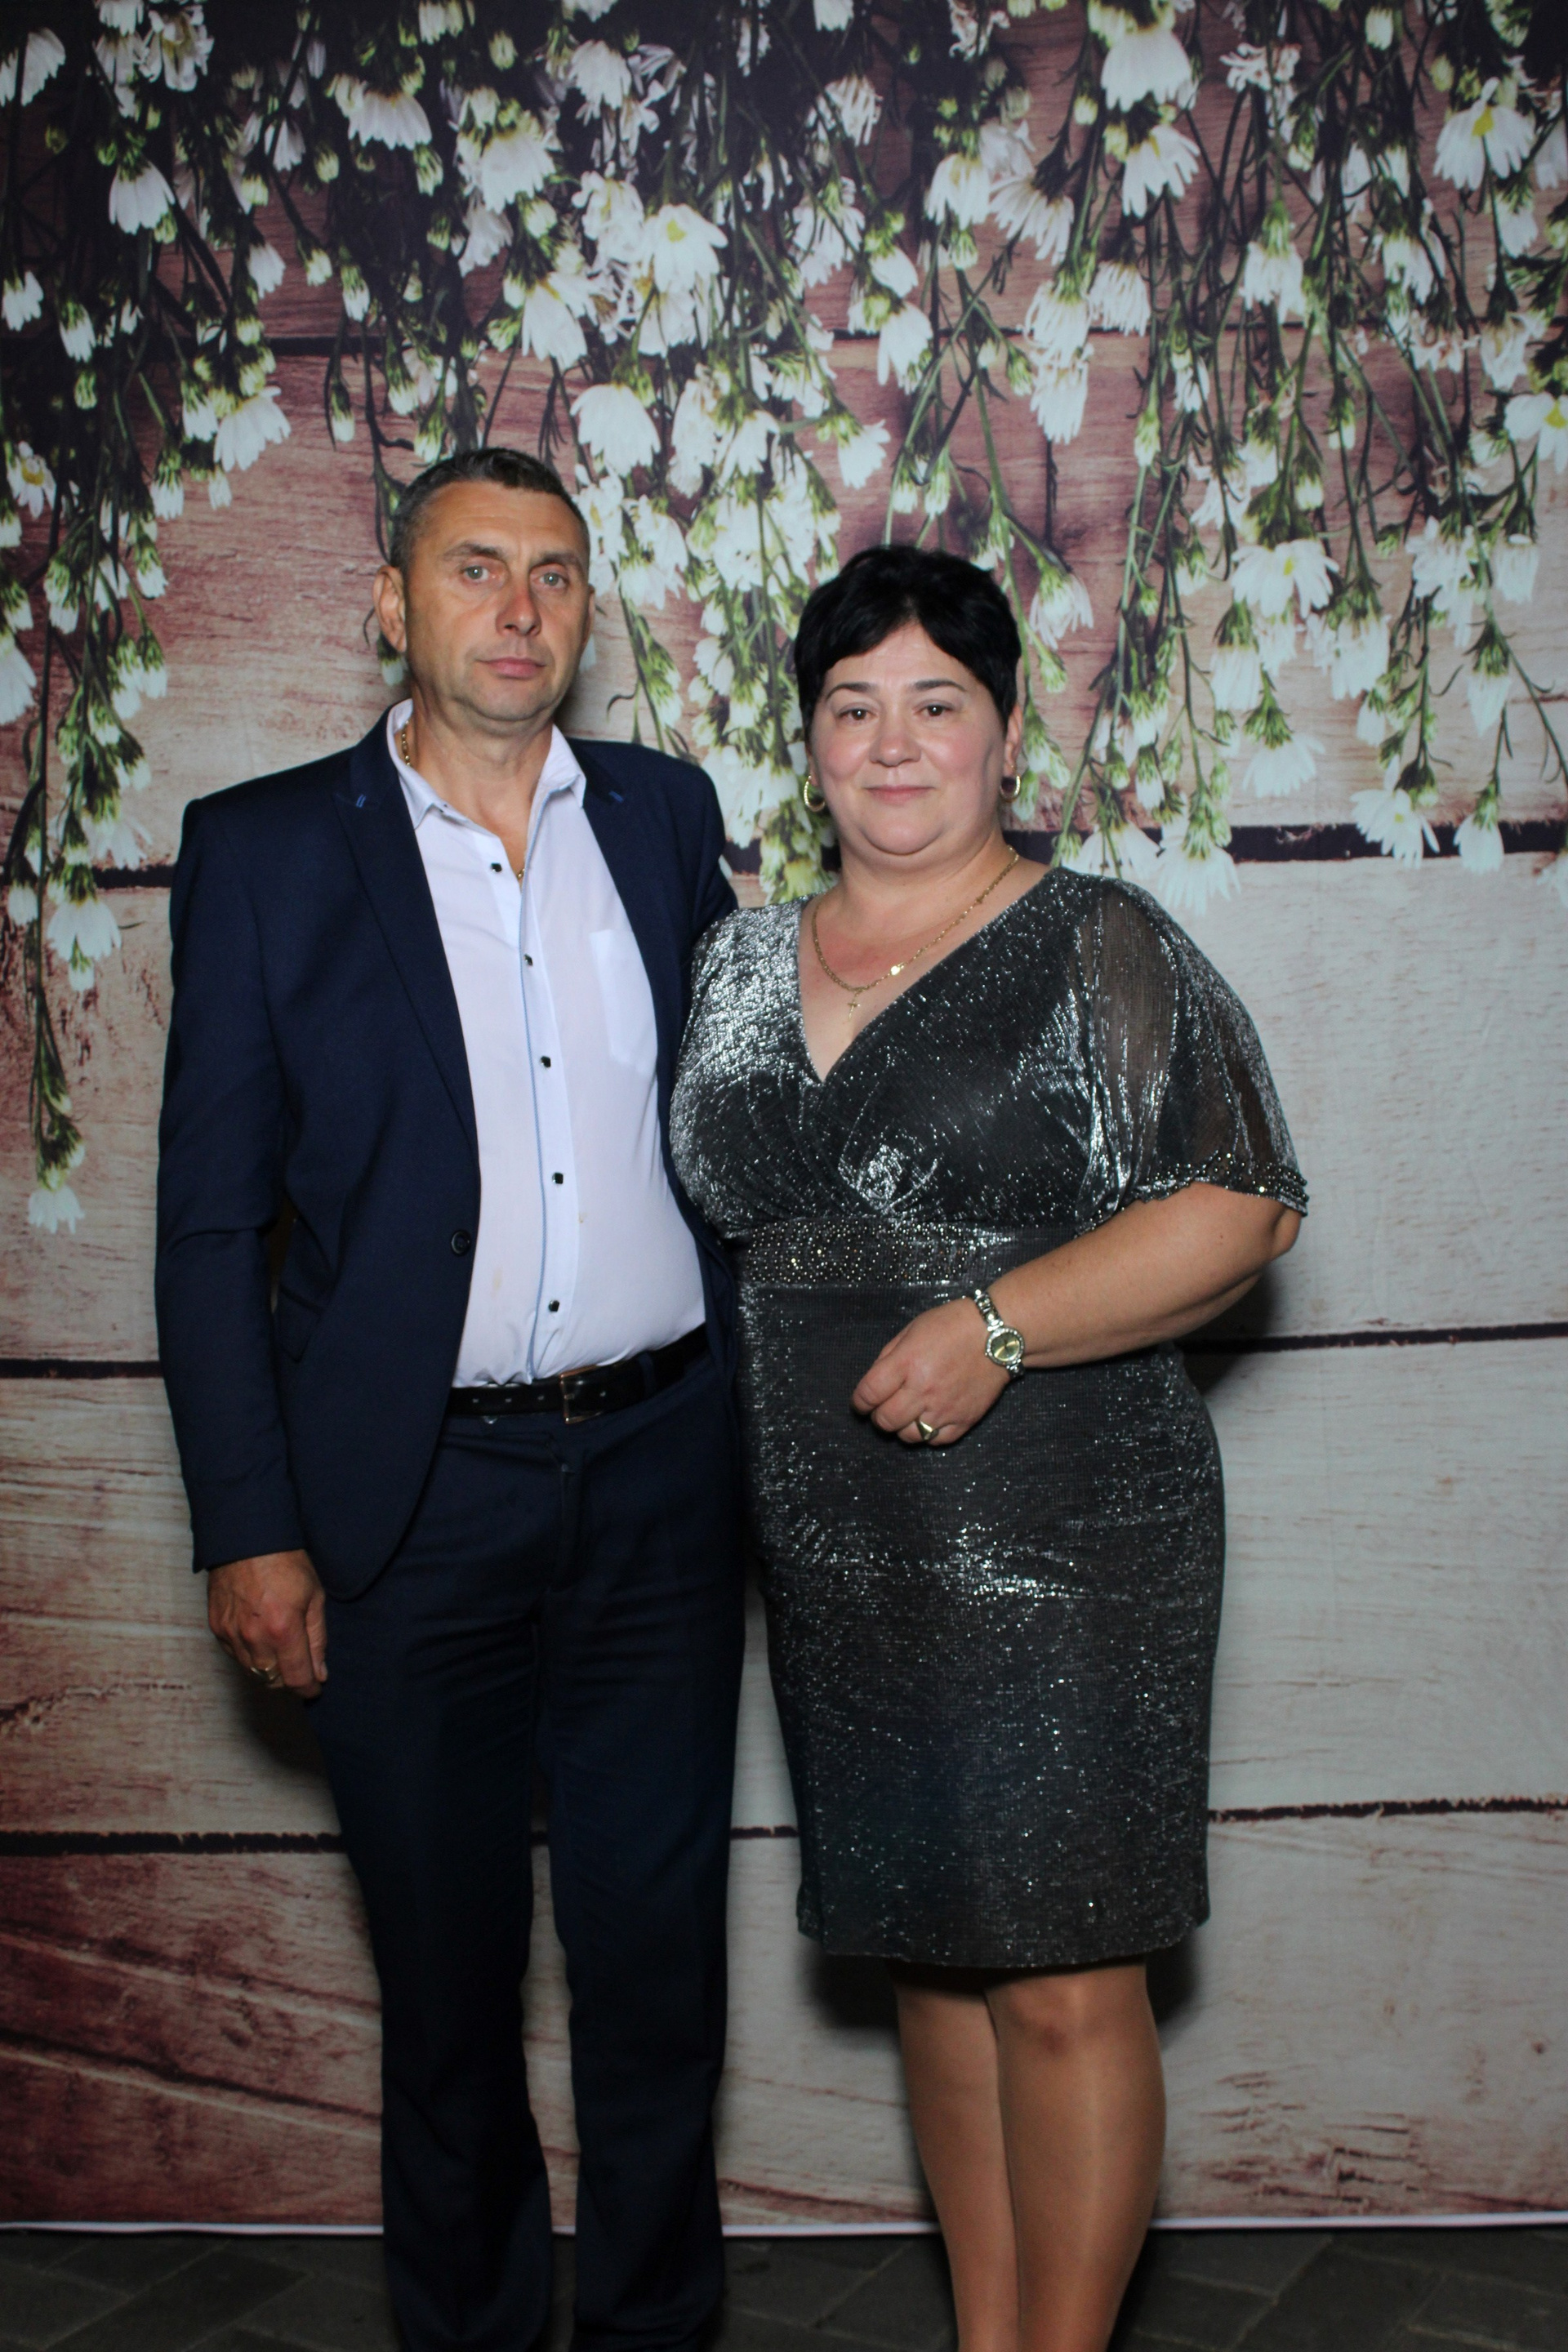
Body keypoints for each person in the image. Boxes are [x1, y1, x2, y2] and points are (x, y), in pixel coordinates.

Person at [670, 544, 1306, 2352]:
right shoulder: (734, 964)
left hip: (1067, 1538)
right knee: (934, 1970)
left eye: (936, 705)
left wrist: (999, 1324)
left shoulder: (1100, 941)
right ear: (808, 741)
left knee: (1063, 1982)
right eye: (853, 706)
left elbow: (1245, 1204)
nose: (893, 744)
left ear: (1009, 733)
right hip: (841, 1553)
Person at [155, 448, 744, 2352]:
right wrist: (251, 1524)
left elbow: (748, 1132)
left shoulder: (664, 818)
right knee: (448, 1993)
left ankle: (653, 2331)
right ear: (392, 607)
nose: (519, 608)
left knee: (661, 1976)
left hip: (661, 1479)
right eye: (476, 568)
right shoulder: (266, 852)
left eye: (555, 573)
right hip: (408, 1504)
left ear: (588, 613)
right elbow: (210, 1226)